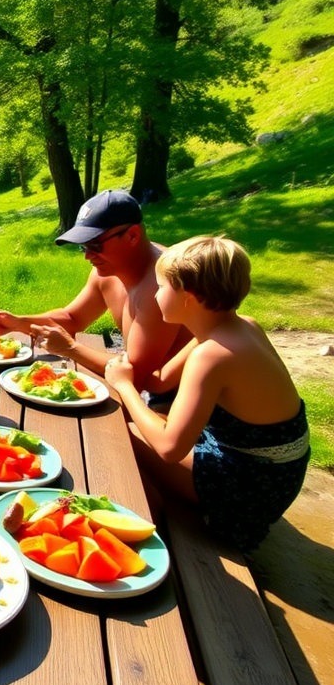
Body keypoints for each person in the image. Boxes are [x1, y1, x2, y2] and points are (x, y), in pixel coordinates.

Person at [105, 236, 309, 550]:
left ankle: (152, 527)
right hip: (275, 472)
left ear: (188, 297)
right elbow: (160, 382)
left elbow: (170, 448)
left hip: (251, 487)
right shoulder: (237, 327)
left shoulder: (213, 355)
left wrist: (123, 386)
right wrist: (130, 373)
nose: (156, 294)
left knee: (120, 436)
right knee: (151, 418)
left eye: (161, 286)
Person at [0, 189, 188, 398]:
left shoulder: (162, 285)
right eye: (83, 247)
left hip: (181, 401)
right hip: (146, 387)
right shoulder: (108, 271)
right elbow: (73, 318)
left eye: (95, 245)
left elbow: (135, 375)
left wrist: (71, 349)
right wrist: (18, 322)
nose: (88, 256)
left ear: (132, 235)